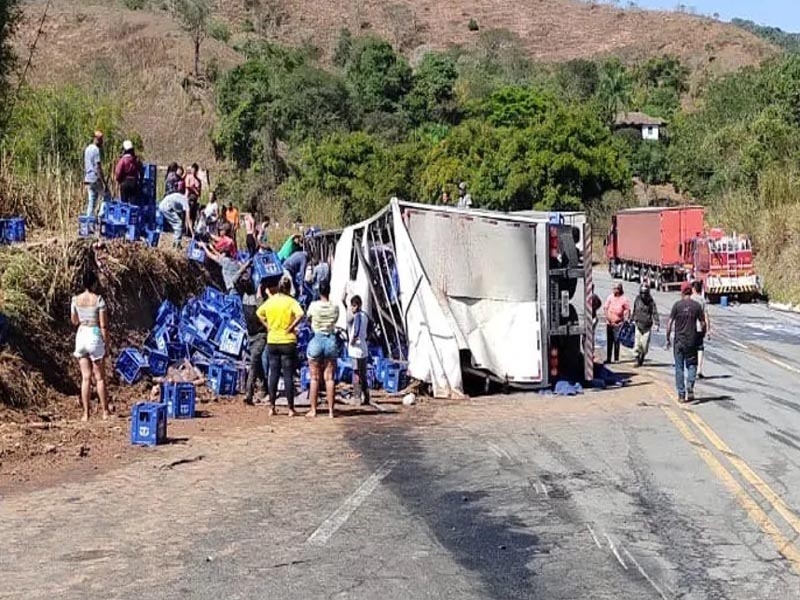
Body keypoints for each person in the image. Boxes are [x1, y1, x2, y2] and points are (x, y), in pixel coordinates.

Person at [257, 275, 305, 417]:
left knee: (274, 374)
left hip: (273, 340)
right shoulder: (291, 302)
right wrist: (291, 326)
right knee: (288, 375)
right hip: (287, 340)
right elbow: (301, 314)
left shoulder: (271, 301)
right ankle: (291, 408)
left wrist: (268, 326)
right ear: (289, 287)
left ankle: (272, 407)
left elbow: (259, 313)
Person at [70, 270, 110, 422]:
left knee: (85, 378)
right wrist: (106, 344)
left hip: (81, 335)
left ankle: (86, 414)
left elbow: (74, 320)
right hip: (94, 334)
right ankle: (105, 411)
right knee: (99, 378)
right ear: (94, 283)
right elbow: (103, 325)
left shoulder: (75, 300)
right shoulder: (99, 300)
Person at [666, 282, 706, 402]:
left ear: (682, 292)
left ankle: (681, 395)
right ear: (691, 291)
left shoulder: (677, 306)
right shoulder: (696, 306)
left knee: (679, 368)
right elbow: (703, 323)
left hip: (679, 341)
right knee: (692, 364)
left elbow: (669, 323)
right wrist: (702, 335)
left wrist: (668, 338)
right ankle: (690, 384)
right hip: (692, 340)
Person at [306, 281, 340, 418]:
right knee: (329, 378)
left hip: (317, 339)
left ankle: (313, 410)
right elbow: (335, 321)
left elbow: (308, 318)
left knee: (314, 378)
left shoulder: (314, 306)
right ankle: (331, 411)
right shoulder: (335, 307)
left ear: (319, 291)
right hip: (330, 341)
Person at [243, 278, 268, 406]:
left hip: (259, 336)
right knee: (256, 364)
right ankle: (264, 388)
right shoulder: (253, 299)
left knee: (254, 363)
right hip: (253, 336)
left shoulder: (246, 299)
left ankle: (248, 394)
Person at [345, 294, 370, 406]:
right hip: (364, 347)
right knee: (363, 373)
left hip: (356, 348)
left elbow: (356, 330)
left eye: (354, 306)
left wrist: (352, 340)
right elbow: (371, 327)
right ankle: (366, 395)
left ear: (358, 306)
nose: (352, 308)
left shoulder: (358, 317)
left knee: (356, 373)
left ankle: (357, 397)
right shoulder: (366, 316)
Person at [632, 283, 660, 367]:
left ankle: (642, 356)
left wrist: (657, 322)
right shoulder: (637, 299)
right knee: (637, 344)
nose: (643, 295)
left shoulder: (651, 301)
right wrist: (632, 318)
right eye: (642, 293)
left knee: (644, 345)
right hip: (638, 324)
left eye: (645, 293)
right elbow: (634, 309)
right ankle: (636, 358)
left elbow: (654, 312)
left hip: (647, 326)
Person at [603, 282, 631, 364]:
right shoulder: (610, 297)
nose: (614, 290)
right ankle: (608, 358)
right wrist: (608, 317)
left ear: (619, 289)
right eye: (613, 288)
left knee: (616, 341)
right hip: (609, 323)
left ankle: (616, 358)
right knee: (609, 341)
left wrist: (626, 319)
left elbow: (627, 310)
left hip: (618, 324)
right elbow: (605, 308)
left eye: (616, 288)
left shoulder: (624, 299)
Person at [691, 280, 711, 378]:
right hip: (700, 327)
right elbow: (706, 316)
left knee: (691, 348)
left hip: (690, 328)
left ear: (693, 289)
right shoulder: (703, 300)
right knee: (700, 347)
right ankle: (699, 368)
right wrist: (708, 330)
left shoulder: (690, 299)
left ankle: (692, 368)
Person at [83, 131, 106, 217]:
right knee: (106, 196)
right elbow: (98, 167)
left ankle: (89, 222)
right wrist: (104, 182)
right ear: (97, 139)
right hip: (95, 178)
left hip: (88, 178)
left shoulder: (87, 149)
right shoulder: (96, 150)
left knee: (91, 201)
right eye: (101, 140)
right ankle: (101, 216)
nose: (102, 142)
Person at [114, 140, 141, 204]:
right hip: (134, 183)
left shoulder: (123, 160)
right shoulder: (135, 160)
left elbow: (118, 172)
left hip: (125, 183)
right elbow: (139, 169)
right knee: (133, 203)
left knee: (124, 203)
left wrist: (118, 180)